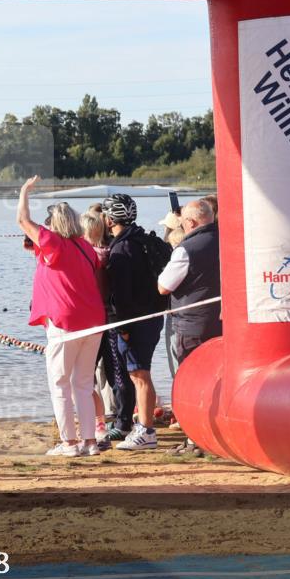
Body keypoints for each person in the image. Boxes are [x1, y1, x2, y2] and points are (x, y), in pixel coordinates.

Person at [19, 176, 105, 457]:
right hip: (94, 323)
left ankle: (69, 443)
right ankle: (90, 442)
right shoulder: (85, 247)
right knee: (83, 384)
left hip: (65, 324)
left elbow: (23, 220)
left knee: (59, 384)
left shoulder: (53, 243)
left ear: (53, 225)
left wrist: (24, 192)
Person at [103, 193, 170, 451]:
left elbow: (121, 295)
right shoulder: (144, 239)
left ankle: (146, 430)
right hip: (153, 316)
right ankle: (144, 426)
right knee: (141, 374)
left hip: (135, 321)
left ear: (110, 220)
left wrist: (123, 328)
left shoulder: (121, 249)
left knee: (139, 375)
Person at [157, 199, 222, 455]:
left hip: (191, 325)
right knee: (215, 381)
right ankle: (213, 437)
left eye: (183, 220)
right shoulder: (226, 239)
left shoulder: (187, 249)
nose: (181, 224)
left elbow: (163, 285)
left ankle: (195, 440)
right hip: (220, 323)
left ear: (192, 222)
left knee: (190, 384)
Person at [81, 208, 118, 444]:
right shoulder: (109, 253)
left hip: (92, 319)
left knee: (86, 376)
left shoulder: (87, 257)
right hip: (110, 317)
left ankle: (96, 422)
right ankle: (111, 418)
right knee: (111, 370)